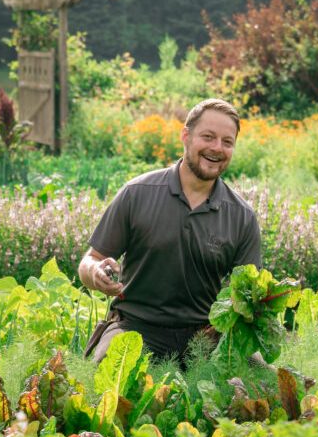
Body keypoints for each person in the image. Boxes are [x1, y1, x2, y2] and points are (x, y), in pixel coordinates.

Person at [78, 98, 262, 364]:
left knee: (264, 382)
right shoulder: (137, 193)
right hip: (135, 329)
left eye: (227, 142)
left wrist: (253, 309)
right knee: (110, 374)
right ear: (185, 136)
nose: (217, 148)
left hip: (205, 335)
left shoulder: (241, 216)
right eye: (208, 137)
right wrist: (95, 273)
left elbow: (248, 294)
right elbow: (90, 259)